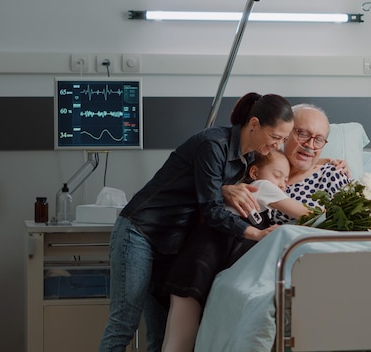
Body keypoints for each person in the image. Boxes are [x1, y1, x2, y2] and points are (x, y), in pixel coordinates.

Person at [98, 92, 295, 352]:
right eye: (275, 137)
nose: (278, 145)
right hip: (140, 232)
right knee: (124, 322)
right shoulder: (213, 144)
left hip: (171, 244)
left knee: (159, 332)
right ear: (255, 124)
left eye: (283, 139)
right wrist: (256, 234)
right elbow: (212, 209)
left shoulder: (245, 161)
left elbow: (210, 191)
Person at [160, 149, 312, 352]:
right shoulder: (260, 187)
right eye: (278, 175)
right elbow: (305, 213)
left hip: (199, 263)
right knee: (181, 341)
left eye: (286, 179)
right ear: (255, 173)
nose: (283, 184)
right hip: (199, 261)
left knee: (175, 338)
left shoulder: (260, 207)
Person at [224, 103, 350, 224]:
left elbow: (350, 222)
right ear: (285, 134)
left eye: (319, 139)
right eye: (303, 134)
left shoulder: (333, 174)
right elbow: (211, 191)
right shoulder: (260, 164)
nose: (310, 145)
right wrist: (224, 191)